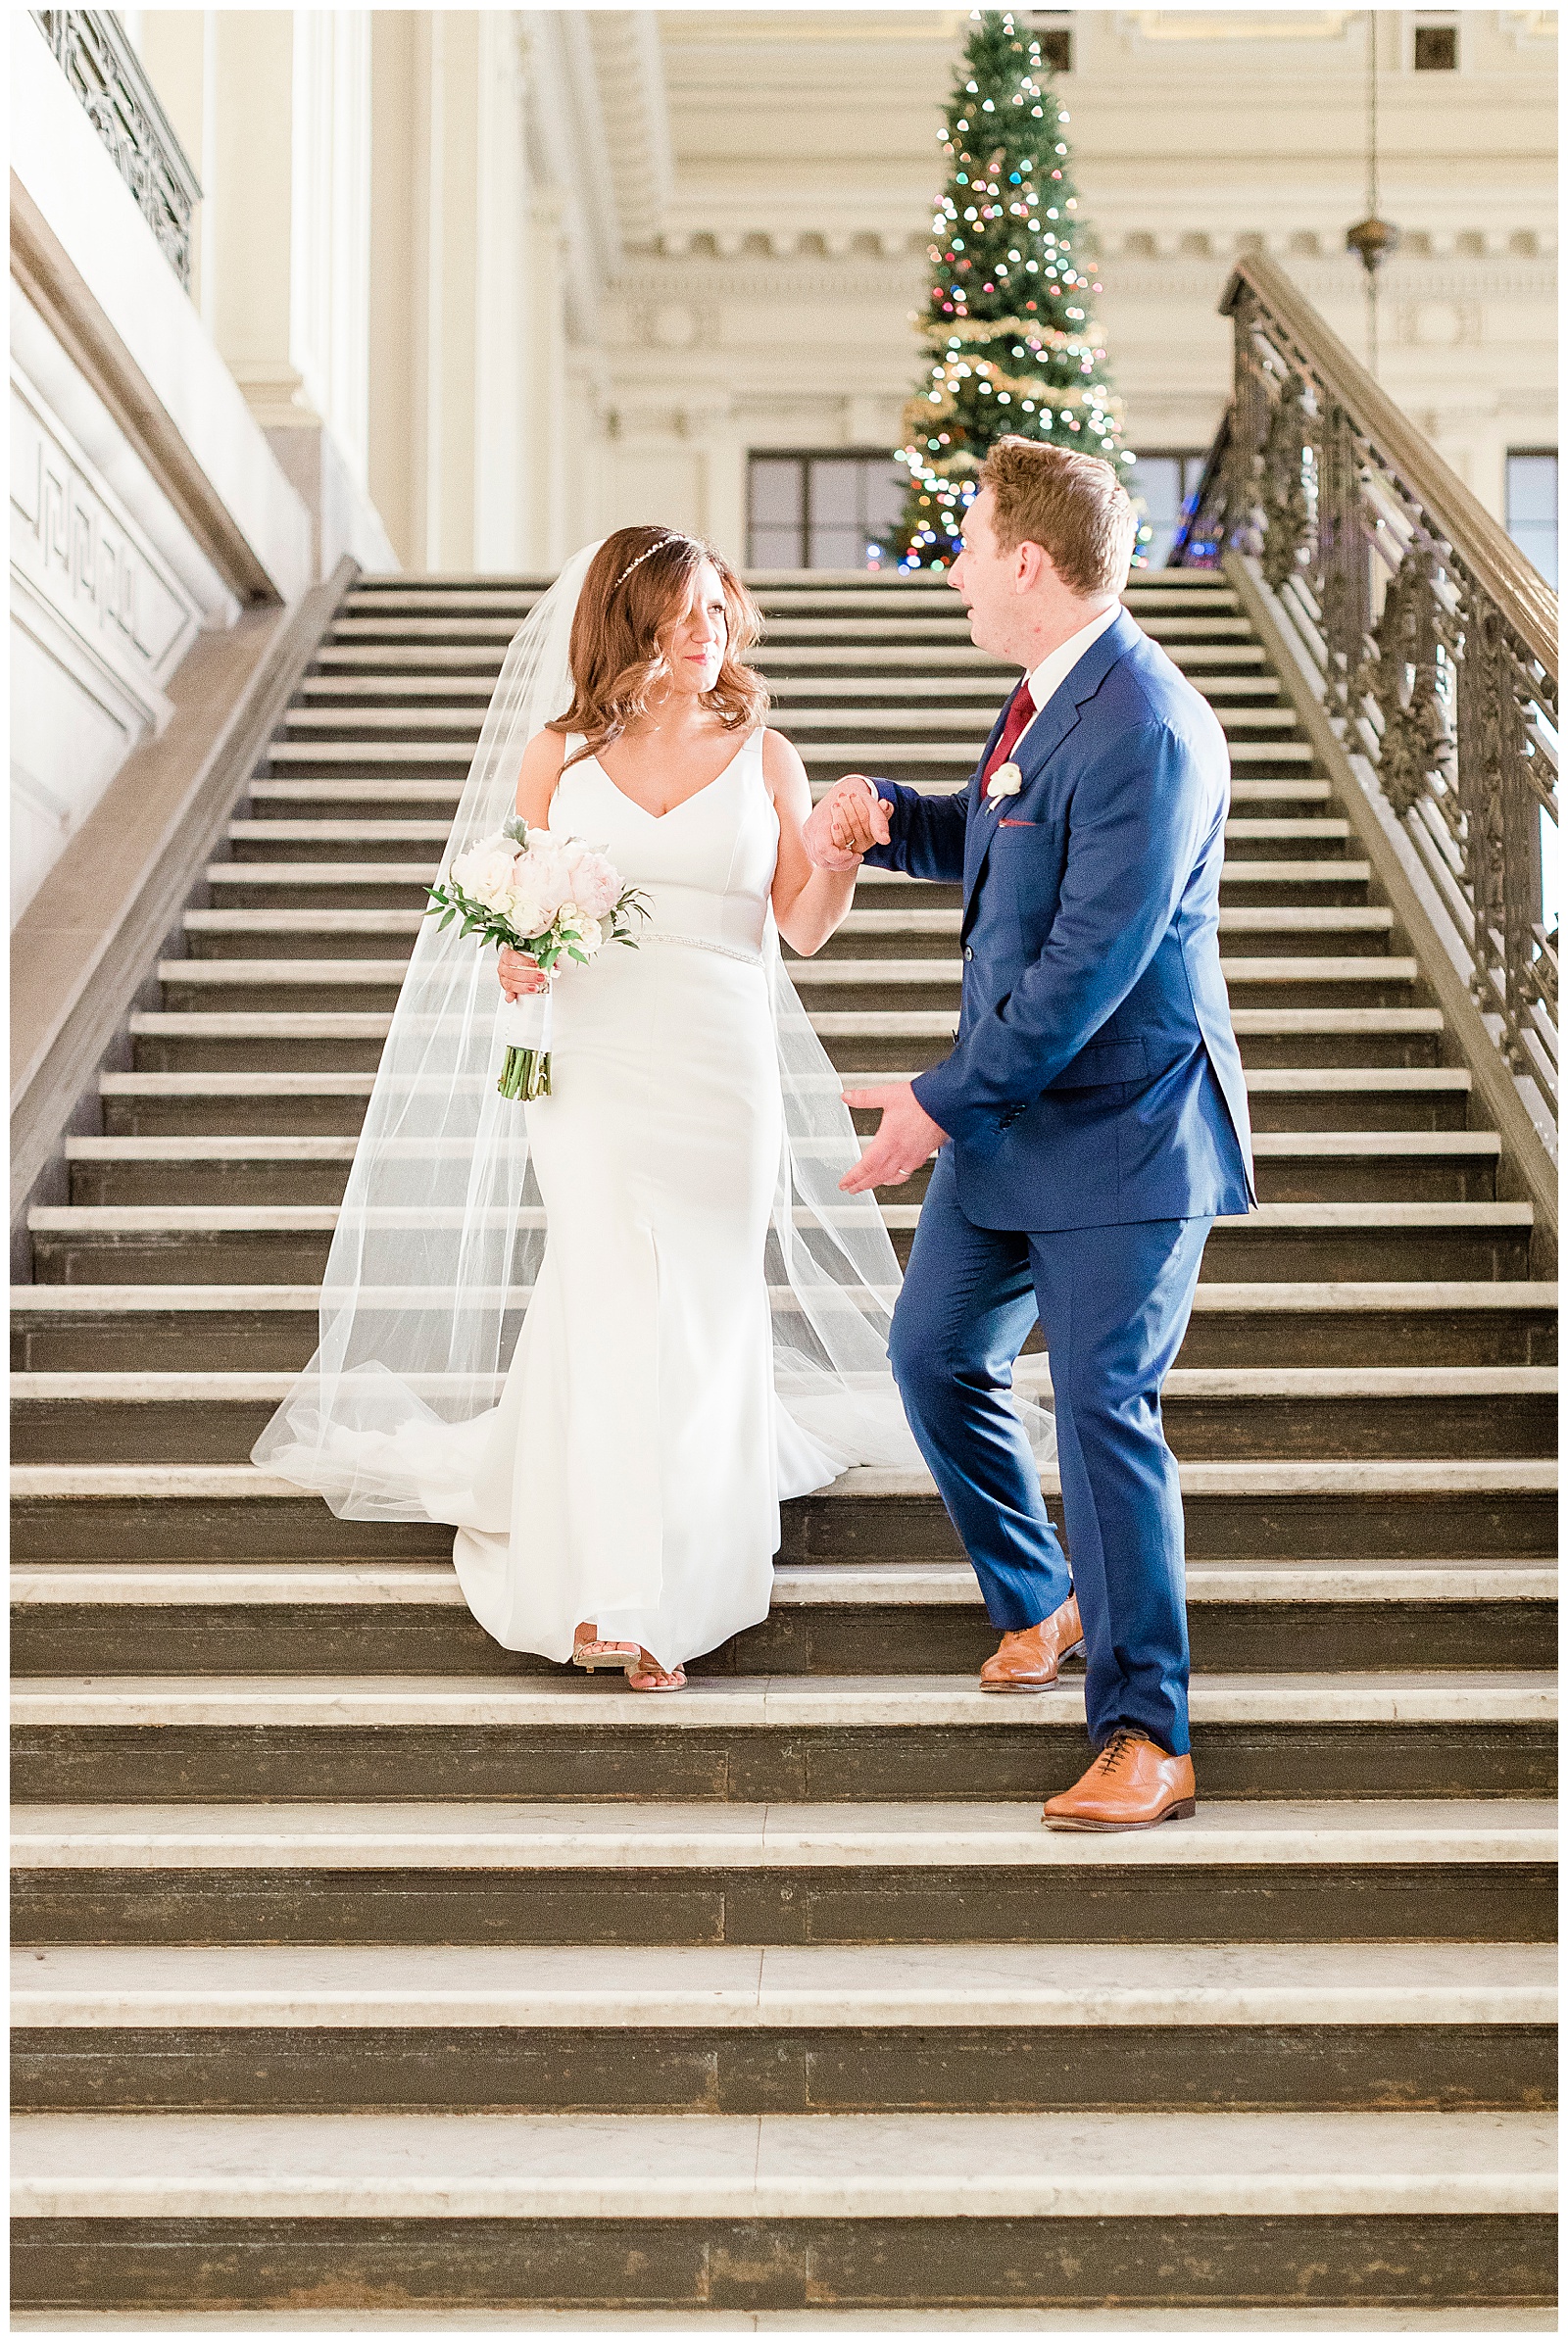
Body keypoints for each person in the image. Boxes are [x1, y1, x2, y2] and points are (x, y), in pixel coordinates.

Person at [255, 528, 1035, 1689]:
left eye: (716, 610)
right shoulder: (558, 755)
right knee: (612, 1287)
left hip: (720, 1064)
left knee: (707, 1299)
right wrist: (513, 964)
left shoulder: (765, 752)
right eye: (679, 613)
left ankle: (686, 1560)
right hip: (593, 1059)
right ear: (631, 625)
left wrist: (836, 848)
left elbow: (803, 927)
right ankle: (611, 1590)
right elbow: (513, 910)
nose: (703, 632)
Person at [804, 438, 1255, 1830]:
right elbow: (1005, 842)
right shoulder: (1046, 695)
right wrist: (893, 818)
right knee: (934, 1353)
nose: (950, 566)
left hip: (1123, 1132)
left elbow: (1086, 964)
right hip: (1018, 1125)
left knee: (1104, 1412)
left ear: (1028, 564)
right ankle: (1041, 1596)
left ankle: (1148, 1732)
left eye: (968, 539)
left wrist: (936, 1104)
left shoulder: (1151, 723)